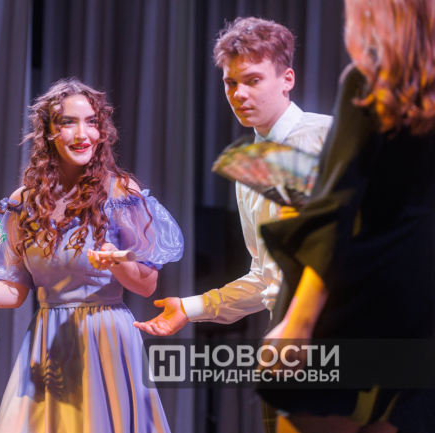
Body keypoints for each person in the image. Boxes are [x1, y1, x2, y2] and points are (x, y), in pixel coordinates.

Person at [0, 78, 184, 433]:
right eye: (68, 122)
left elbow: (147, 285)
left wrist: (118, 260)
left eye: (91, 122)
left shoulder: (119, 193)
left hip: (106, 338)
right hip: (48, 338)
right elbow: (15, 290)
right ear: (49, 132)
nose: (83, 134)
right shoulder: (25, 202)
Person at [134, 17, 332, 432]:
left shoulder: (327, 138)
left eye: (253, 80)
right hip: (284, 343)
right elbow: (266, 277)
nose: (239, 94)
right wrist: (190, 308)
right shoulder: (250, 165)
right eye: (230, 83)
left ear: (287, 79)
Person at [257, 0, 435, 431]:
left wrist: (299, 319)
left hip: (360, 292)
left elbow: (338, 207)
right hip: (427, 302)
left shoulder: (372, 80)